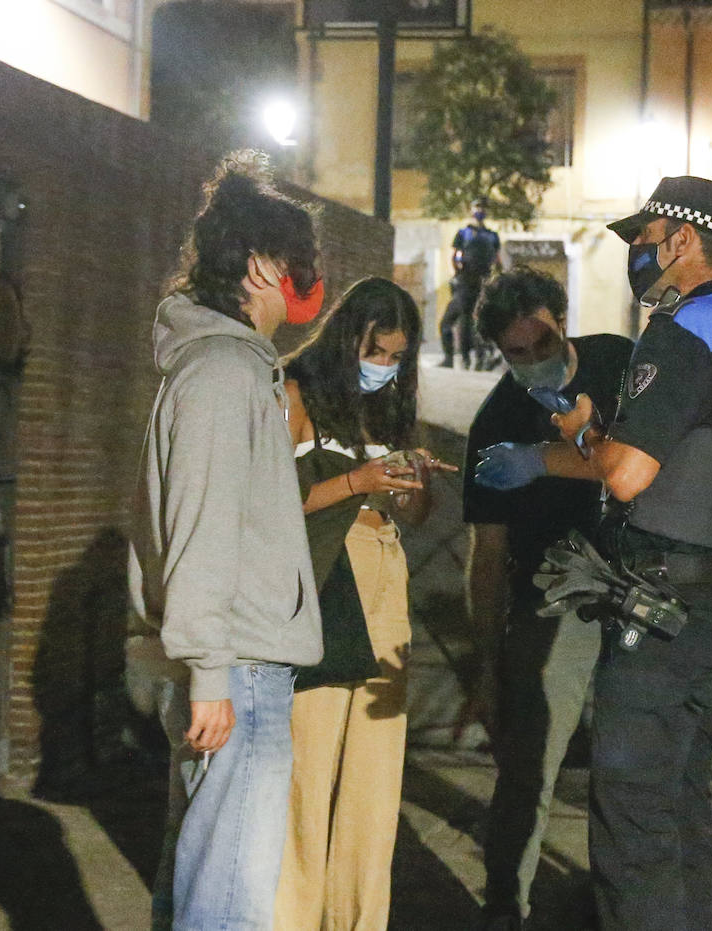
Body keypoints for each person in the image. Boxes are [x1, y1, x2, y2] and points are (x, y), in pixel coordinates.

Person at [474, 176, 712, 931]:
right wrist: (590, 436)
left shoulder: (686, 332)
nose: (637, 254)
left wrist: (559, 449)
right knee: (681, 814)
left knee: (632, 827)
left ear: (682, 240)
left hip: (657, 607)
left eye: (644, 238)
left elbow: (627, 472)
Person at [128, 150, 325, 930]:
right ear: (257, 265)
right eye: (297, 262)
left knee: (207, 872)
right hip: (238, 665)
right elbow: (203, 526)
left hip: (236, 660)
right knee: (229, 891)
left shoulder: (226, 367)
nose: (306, 282)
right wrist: (210, 670)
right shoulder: (222, 373)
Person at [273, 277, 456, 930]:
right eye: (377, 352)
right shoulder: (293, 393)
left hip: (385, 573)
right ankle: (290, 916)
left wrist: (411, 484)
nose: (385, 368)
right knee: (307, 764)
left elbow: (415, 511)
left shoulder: (381, 412)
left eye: (397, 357)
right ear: (349, 337)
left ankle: (357, 920)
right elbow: (271, 498)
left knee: (374, 781)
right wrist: (357, 479)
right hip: (326, 582)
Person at [460, 268, 633, 931]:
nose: (534, 363)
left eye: (544, 343)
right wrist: (487, 662)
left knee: (631, 762)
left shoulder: (620, 362)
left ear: (562, 319)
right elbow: (489, 551)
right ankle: (507, 903)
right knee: (530, 761)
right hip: (550, 592)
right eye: (516, 353)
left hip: (633, 579)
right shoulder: (497, 418)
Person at [441, 196, 503, 369]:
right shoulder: (489, 236)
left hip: (468, 283)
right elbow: (498, 263)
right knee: (474, 321)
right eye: (478, 207)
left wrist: (457, 276)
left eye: (482, 207)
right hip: (478, 283)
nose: (480, 211)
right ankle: (476, 357)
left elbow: (454, 257)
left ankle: (460, 359)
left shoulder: (466, 233)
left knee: (462, 320)